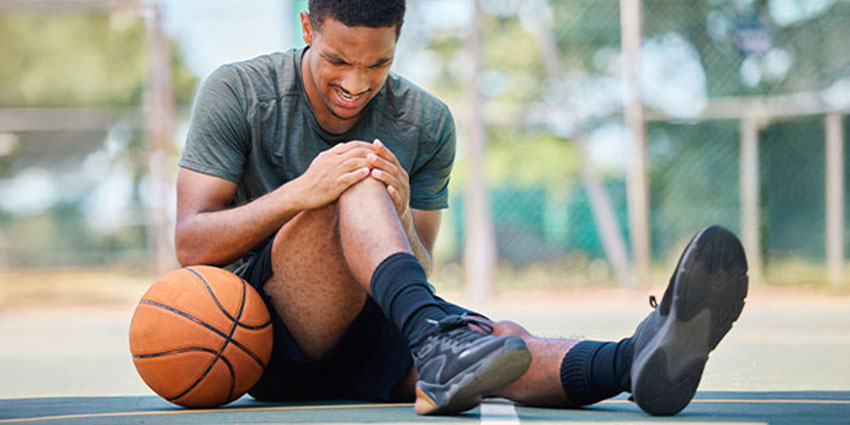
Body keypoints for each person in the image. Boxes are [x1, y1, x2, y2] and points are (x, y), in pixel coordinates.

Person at [175, 0, 748, 416]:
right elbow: (191, 243)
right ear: (307, 26)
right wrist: (305, 191)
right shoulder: (239, 92)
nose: (356, 82)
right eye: (338, 61)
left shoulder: (425, 123)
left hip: (374, 321)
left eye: (378, 65)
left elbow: (413, 268)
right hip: (261, 335)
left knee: (493, 346)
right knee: (357, 172)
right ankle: (439, 338)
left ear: (398, 40)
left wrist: (396, 216)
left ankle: (637, 359)